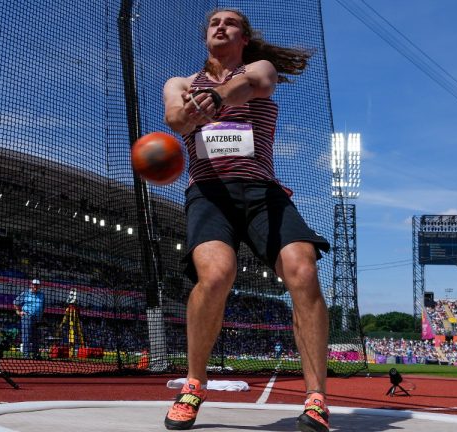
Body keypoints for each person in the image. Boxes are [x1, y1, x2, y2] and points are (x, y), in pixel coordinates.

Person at [162, 9, 331, 432]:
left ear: (244, 37)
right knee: (216, 275)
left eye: (230, 22)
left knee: (303, 268)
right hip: (209, 194)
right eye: (213, 23)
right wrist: (190, 114)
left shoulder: (259, 68)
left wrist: (219, 98)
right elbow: (174, 118)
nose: (220, 26)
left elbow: (255, 84)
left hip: (262, 192)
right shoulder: (181, 83)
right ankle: (193, 386)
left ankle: (315, 400)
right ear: (206, 39)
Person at [13, 279, 44, 359]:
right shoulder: (25, 293)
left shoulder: (42, 295)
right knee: (26, 336)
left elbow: (42, 307)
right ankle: (26, 355)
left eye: (37, 285)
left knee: (36, 337)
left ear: (39, 286)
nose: (35, 286)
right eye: (34, 284)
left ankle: (35, 354)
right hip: (27, 317)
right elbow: (15, 303)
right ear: (31, 285)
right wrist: (19, 312)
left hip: (37, 319)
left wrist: (40, 317)